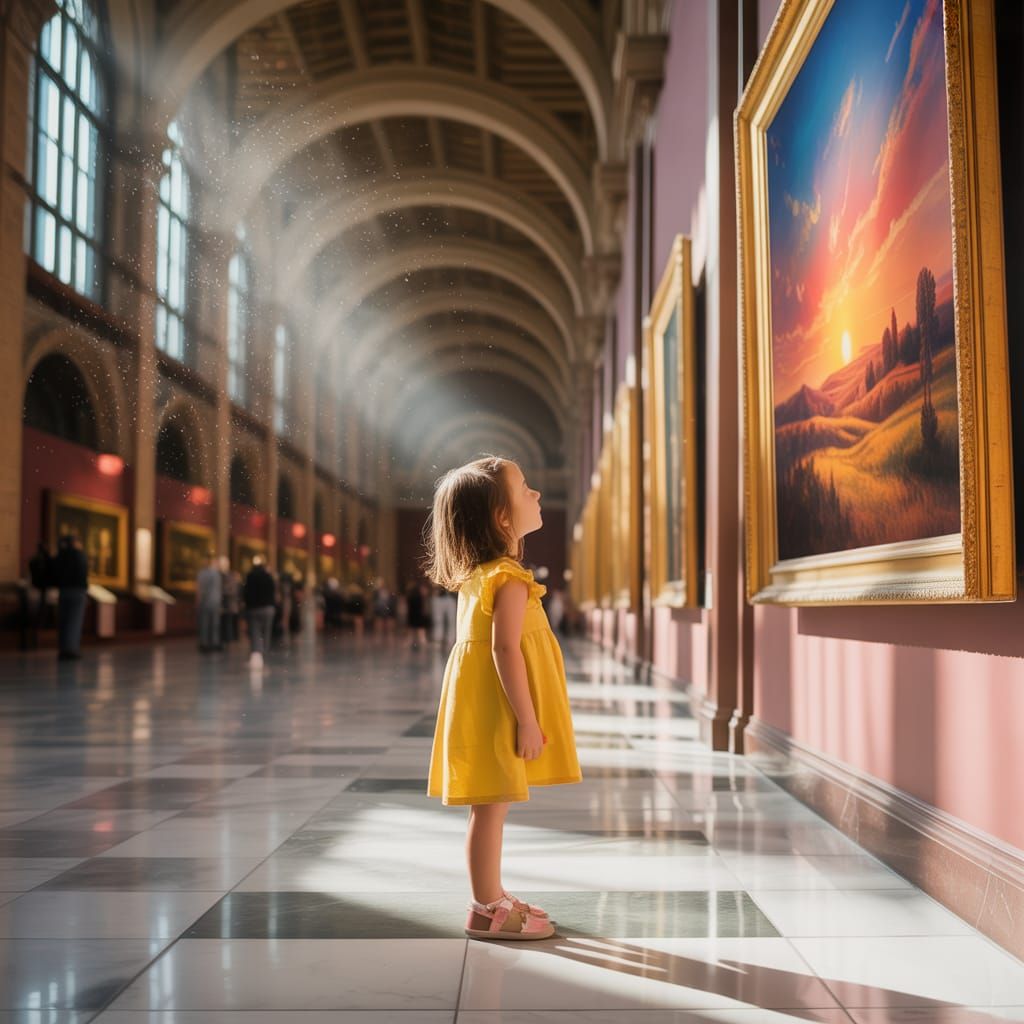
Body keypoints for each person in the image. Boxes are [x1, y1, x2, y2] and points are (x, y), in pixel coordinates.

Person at [424, 455, 581, 941]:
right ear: (502, 517)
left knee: (490, 805)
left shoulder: (484, 575)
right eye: (526, 488)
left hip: (482, 702)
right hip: (498, 707)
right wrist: (527, 720)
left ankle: (491, 895)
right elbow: (505, 648)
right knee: (491, 807)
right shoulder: (508, 579)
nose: (536, 494)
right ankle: (487, 907)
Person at [54, 534, 88, 660]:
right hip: (77, 591)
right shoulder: (79, 555)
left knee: (63, 620)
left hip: (64, 590)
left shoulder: (60, 555)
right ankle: (71, 648)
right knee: (74, 621)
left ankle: (63, 648)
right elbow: (82, 573)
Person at [244, 555, 276, 668]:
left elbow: (246, 592)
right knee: (266, 632)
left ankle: (257, 654)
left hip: (254, 608)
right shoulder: (268, 576)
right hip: (268, 608)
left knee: (255, 632)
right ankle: (264, 652)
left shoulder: (250, 576)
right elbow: (273, 591)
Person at [196, 555, 223, 652]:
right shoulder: (216, 573)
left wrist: (199, 600)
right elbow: (218, 589)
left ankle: (204, 643)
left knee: (205, 623)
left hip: (206, 601)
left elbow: (200, 589)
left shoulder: (202, 573)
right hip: (214, 601)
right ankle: (214, 643)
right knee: (214, 623)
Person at [220, 558, 240, 645]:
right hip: (221, 604)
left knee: (228, 622)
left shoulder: (231, 576)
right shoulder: (218, 575)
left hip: (229, 604)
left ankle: (228, 639)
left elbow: (233, 590)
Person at [431, 584, 457, 649]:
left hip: (451, 597)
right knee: (438, 621)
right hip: (438, 597)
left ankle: (450, 641)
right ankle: (438, 640)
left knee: (452, 621)